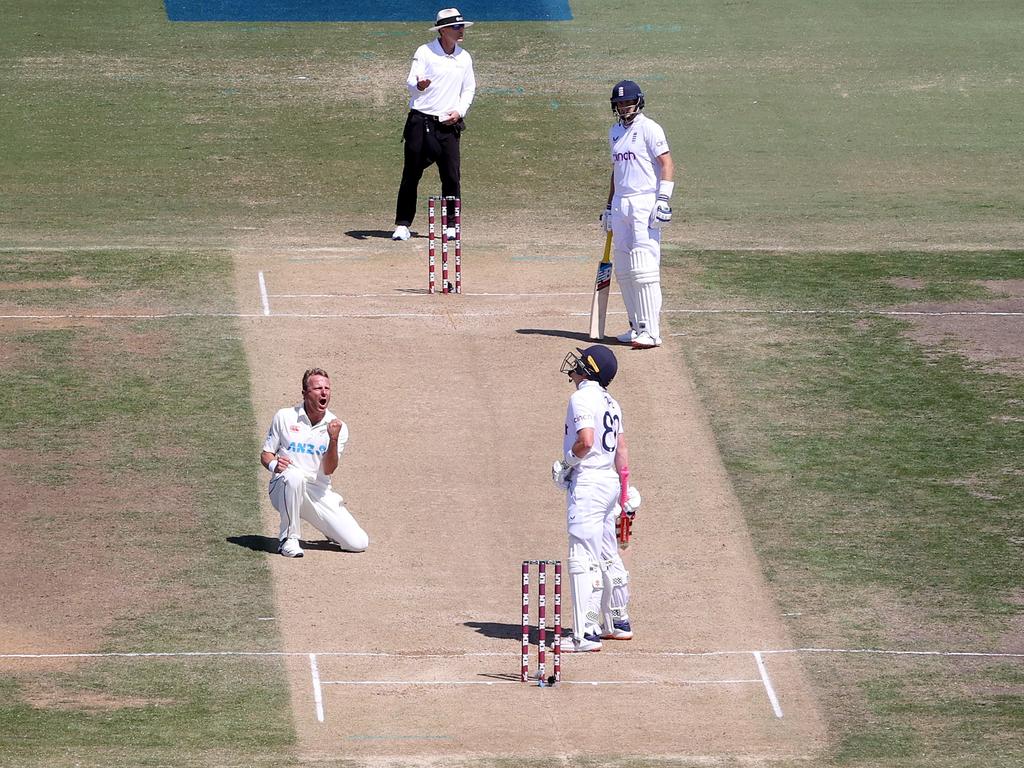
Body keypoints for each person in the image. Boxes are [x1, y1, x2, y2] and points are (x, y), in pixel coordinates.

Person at [551, 345, 641, 652]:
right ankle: (617, 621)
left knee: (583, 560)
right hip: (610, 485)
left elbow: (586, 442)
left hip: (589, 485)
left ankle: (585, 632)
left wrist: (566, 463)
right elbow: (622, 450)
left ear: (589, 370)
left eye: (580, 362)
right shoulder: (612, 403)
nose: (574, 364)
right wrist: (625, 493)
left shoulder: (582, 398)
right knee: (607, 555)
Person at [260, 368, 369, 558]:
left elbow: (329, 468)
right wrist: (274, 466)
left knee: (358, 543)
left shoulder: (337, 427)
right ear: (305, 393)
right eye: (318, 388)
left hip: (318, 492)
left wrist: (333, 439)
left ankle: (329, 528)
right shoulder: (284, 417)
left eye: (327, 388)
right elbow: (266, 454)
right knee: (294, 477)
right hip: (283, 487)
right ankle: (288, 539)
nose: (324, 392)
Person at [600, 80, 676, 349]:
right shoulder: (614, 132)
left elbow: (666, 163)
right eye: (619, 103)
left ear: (638, 101)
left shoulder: (649, 128)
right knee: (624, 269)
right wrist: (609, 206)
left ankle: (651, 331)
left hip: (645, 201)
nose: (623, 107)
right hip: (622, 203)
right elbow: (616, 172)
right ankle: (636, 326)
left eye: (627, 102)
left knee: (644, 268)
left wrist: (663, 199)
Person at [392, 8, 476, 241]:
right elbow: (412, 80)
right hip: (421, 122)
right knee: (411, 174)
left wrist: (459, 111)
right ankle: (402, 224)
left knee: (451, 176)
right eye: (457, 28)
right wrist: (419, 85)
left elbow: (469, 88)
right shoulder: (425, 52)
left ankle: (451, 225)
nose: (461, 31)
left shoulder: (464, 57)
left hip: (448, 125)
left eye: (462, 27)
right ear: (443, 30)